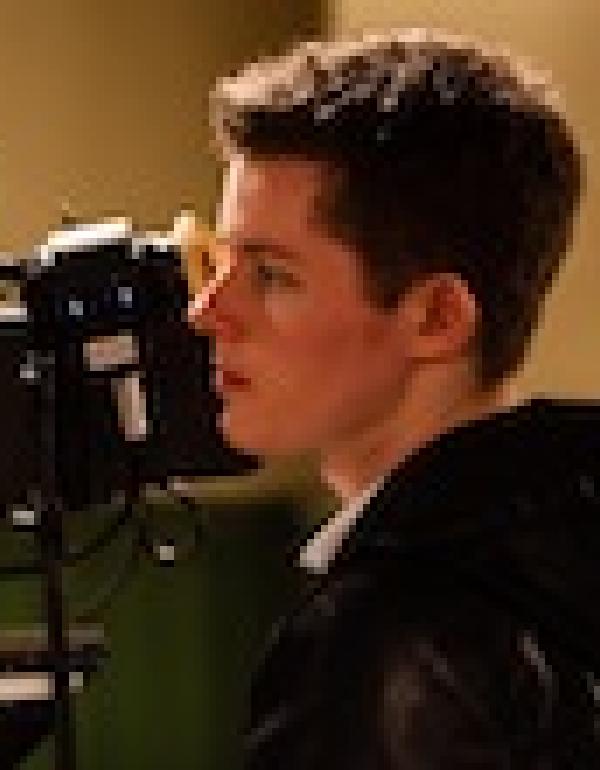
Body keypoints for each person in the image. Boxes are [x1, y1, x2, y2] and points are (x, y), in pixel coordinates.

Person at [187, 28, 600, 768]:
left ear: (437, 317)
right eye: (219, 262)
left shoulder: (380, 639)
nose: (206, 311)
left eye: (272, 275)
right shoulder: (563, 539)